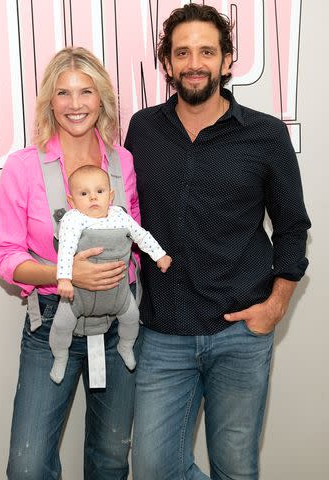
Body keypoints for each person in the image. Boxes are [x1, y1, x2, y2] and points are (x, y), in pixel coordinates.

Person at [124, 3, 311, 480]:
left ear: (228, 61)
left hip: (241, 335)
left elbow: (292, 226)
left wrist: (275, 307)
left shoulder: (266, 135)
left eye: (207, 51)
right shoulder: (142, 130)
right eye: (182, 52)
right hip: (163, 333)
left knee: (235, 469)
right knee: (150, 469)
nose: (194, 63)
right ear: (166, 64)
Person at [0, 46, 142, 479]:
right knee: (27, 465)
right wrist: (66, 273)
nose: (75, 104)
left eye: (85, 92)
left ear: (102, 99)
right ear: (49, 101)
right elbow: (6, 255)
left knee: (111, 458)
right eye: (63, 93)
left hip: (119, 323)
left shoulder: (123, 162)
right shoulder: (22, 167)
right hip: (51, 324)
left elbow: (134, 234)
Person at [50, 164, 171, 383]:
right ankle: (60, 356)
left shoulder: (119, 216)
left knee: (132, 317)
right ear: (72, 201)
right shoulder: (73, 219)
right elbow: (66, 251)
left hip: (118, 295)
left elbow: (141, 236)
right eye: (84, 194)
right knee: (61, 324)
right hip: (78, 297)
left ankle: (125, 347)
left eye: (100, 191)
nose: (93, 198)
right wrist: (65, 279)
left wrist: (159, 255)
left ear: (111, 195)